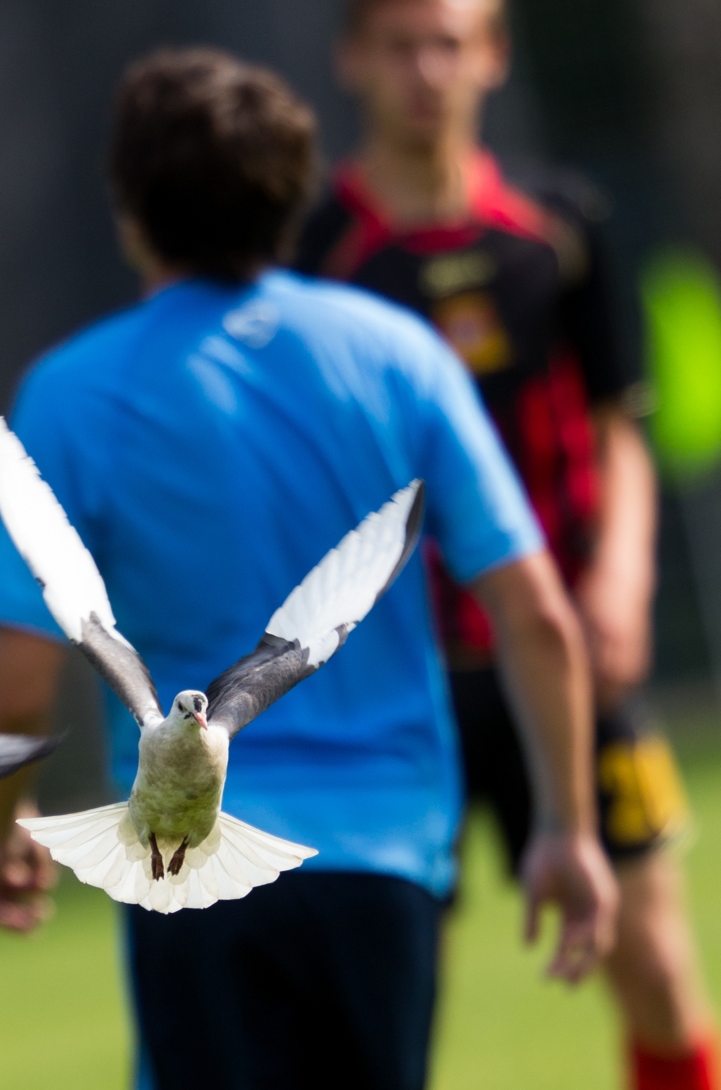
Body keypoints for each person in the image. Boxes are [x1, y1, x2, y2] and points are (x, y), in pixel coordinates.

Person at [0, 47, 617, 1090]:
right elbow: (535, 613)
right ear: (291, 196)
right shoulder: (399, 352)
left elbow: (13, 684)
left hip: (189, 863)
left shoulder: (72, 392)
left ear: (129, 208)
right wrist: (567, 830)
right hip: (387, 858)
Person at [292, 0, 716, 1084]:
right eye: (399, 46)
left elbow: (619, 423)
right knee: (381, 1011)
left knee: (660, 972)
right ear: (352, 60)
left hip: (565, 659)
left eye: (448, 44)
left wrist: (620, 578)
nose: (425, 71)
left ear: (491, 55)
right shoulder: (315, 254)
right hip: (400, 686)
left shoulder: (560, 223)